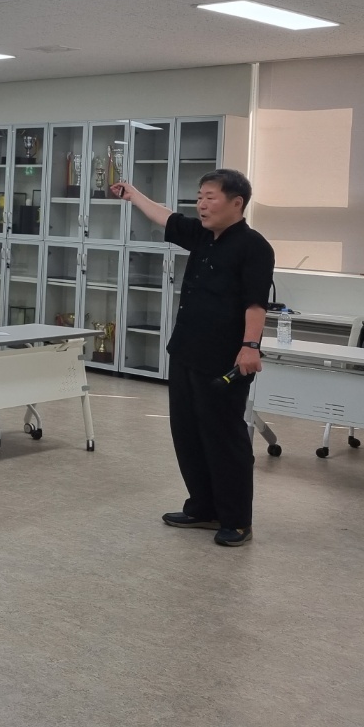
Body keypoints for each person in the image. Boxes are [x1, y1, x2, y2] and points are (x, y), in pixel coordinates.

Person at [113, 169, 274, 548]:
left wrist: (250, 346)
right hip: (185, 350)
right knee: (187, 434)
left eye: (210, 197)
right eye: (199, 196)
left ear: (236, 202)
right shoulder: (202, 235)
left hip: (224, 359)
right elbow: (165, 216)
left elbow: (255, 304)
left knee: (224, 438)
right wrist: (133, 194)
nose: (201, 204)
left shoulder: (254, 247)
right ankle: (203, 507)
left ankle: (236, 520)